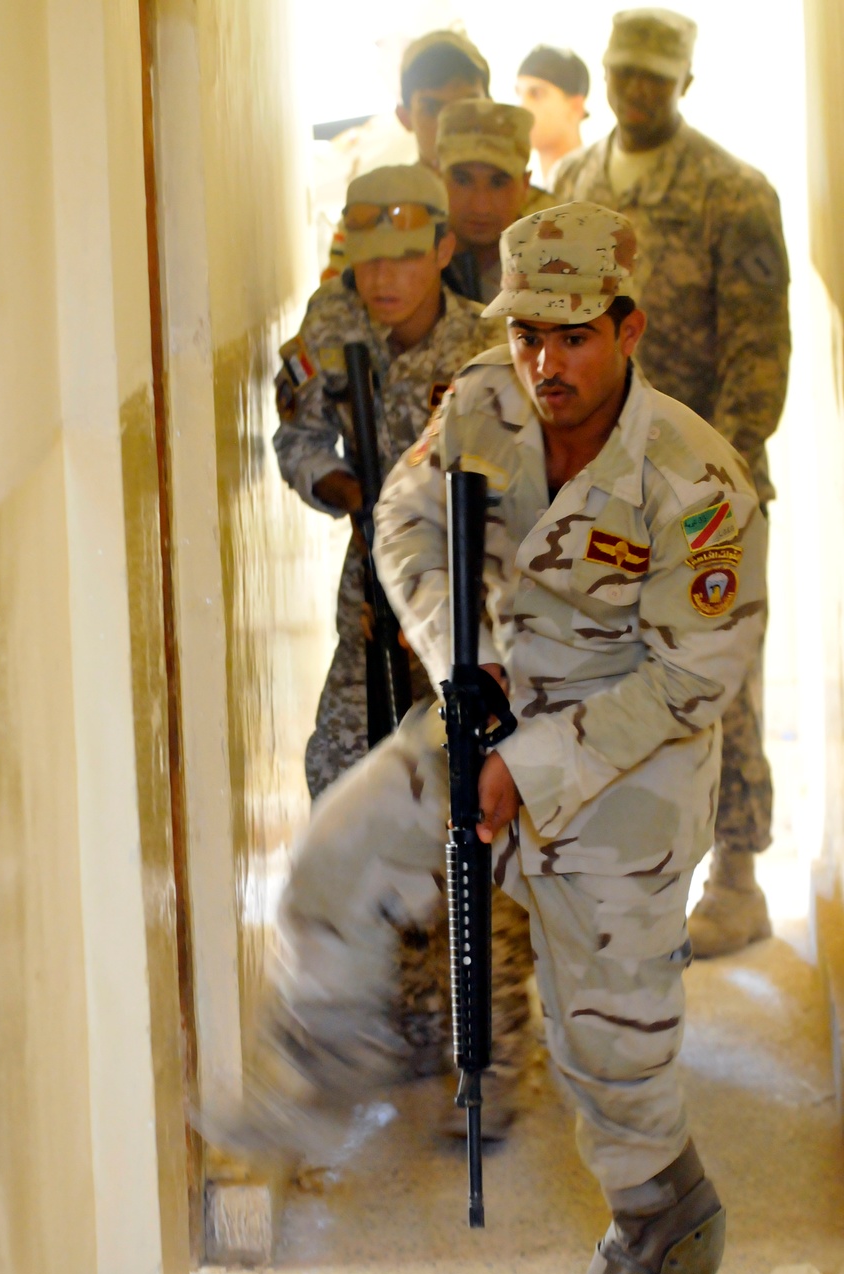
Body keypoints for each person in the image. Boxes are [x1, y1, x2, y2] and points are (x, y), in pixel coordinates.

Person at [251, 203, 765, 1274]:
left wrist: (525, 775)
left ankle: (660, 1250)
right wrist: (457, 659)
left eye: (572, 335)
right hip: (491, 694)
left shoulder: (696, 480)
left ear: (626, 328)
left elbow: (692, 677)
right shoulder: (483, 399)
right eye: (527, 331)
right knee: (339, 851)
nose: (544, 363)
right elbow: (400, 521)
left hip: (629, 751)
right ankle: (328, 1068)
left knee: (611, 1051)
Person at [272, 164, 532, 1133]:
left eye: (402, 258)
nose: (382, 281)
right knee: (340, 786)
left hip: (477, 621)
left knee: (482, 836)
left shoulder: (489, 344)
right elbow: (296, 441)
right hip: (373, 610)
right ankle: (386, 1028)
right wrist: (342, 492)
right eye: (365, 261)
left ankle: (493, 1059)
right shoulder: (329, 329)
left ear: (436, 250)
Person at [552, 8, 791, 956]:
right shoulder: (575, 187)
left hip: (708, 495)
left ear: (685, 83)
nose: (637, 90)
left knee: (720, 680)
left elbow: (758, 358)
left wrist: (711, 491)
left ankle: (737, 873)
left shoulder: (735, 194)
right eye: (624, 72)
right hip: (606, 489)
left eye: (656, 76)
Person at [323, 30, 490, 281]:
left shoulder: (536, 210)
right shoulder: (368, 216)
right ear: (405, 117)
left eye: (466, 107)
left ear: (490, 108)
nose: (450, 124)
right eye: (432, 108)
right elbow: (335, 311)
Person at [436, 99, 556, 306]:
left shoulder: (558, 265)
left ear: (525, 186)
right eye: (463, 180)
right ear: (439, 179)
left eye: (498, 182)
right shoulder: (413, 263)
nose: (480, 206)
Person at [515, 45, 590, 186]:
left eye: (536, 94)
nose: (522, 108)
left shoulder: (598, 185)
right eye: (519, 94)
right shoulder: (524, 192)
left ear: (576, 107)